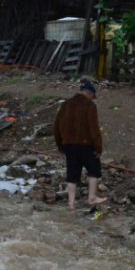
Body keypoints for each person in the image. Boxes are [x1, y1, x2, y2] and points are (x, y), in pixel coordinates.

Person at [54, 81, 108, 210]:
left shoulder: (66, 104)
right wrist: (98, 147)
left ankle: (71, 203)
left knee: (72, 172)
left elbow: (56, 126)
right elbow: (93, 128)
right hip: (85, 144)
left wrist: (60, 145)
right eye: (92, 96)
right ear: (89, 93)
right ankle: (92, 197)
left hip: (68, 144)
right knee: (93, 169)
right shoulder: (89, 106)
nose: (93, 99)